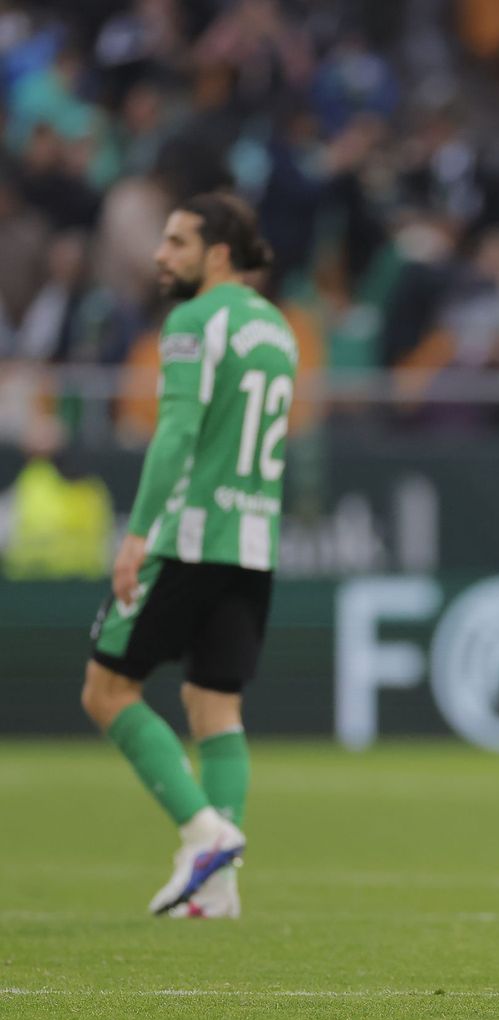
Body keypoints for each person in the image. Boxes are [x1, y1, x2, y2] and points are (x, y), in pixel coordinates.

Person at [79, 191, 295, 920]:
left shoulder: (194, 320)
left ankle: (203, 832)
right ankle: (218, 888)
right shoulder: (276, 328)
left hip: (190, 536)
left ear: (218, 254)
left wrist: (136, 533)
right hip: (253, 540)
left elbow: (175, 434)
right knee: (215, 705)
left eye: (176, 242)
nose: (160, 254)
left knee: (105, 691)